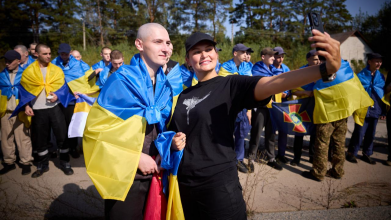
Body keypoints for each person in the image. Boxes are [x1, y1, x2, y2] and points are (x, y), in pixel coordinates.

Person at [168, 30, 341, 219]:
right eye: (196, 52)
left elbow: (273, 83)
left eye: (208, 49)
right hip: (184, 185)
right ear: (187, 59)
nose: (204, 55)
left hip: (218, 186)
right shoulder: (184, 95)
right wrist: (173, 141)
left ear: (216, 54)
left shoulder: (230, 85)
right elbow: (174, 131)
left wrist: (324, 70)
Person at [83, 23, 185, 219]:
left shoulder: (165, 84)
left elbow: (158, 127)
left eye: (168, 42)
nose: (166, 48)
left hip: (157, 170)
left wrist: (168, 144)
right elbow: (96, 131)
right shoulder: (121, 80)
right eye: (157, 42)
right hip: (127, 175)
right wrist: (135, 158)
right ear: (139, 44)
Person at [302, 56, 373, 181]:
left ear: (323, 61)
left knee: (322, 145)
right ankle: (337, 171)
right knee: (339, 144)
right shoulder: (345, 70)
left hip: (326, 116)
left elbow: (315, 91)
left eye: (320, 61)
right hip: (342, 115)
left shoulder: (321, 73)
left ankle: (318, 173)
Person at [12, 44, 74, 178]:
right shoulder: (29, 71)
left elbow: (63, 88)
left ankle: (64, 162)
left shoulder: (56, 70)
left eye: (50, 53)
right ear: (37, 54)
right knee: (40, 139)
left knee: (62, 136)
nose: (48, 56)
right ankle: (43, 164)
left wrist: (58, 95)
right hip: (38, 110)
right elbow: (24, 91)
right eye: (45, 54)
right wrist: (27, 106)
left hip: (55, 108)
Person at [347, 53, 388, 165]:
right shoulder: (360, 76)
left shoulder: (381, 77)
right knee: (359, 132)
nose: (379, 63)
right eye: (376, 61)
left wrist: (383, 111)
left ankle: (367, 154)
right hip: (363, 109)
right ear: (369, 61)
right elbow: (354, 93)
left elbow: (382, 95)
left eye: (380, 61)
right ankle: (352, 153)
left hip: (376, 109)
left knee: (371, 133)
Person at [219, 43, 253, 173]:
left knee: (240, 135)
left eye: (247, 52)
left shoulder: (247, 67)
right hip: (228, 107)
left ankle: (239, 160)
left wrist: (249, 110)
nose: (246, 55)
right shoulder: (225, 66)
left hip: (243, 107)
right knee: (226, 134)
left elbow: (250, 88)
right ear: (235, 53)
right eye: (243, 52)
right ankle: (226, 159)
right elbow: (224, 86)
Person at [0, 50, 33, 175]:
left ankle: (26, 162)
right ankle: (9, 162)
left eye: (10, 61)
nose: (7, 64)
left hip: (20, 110)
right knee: (5, 138)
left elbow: (29, 93)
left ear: (18, 61)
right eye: (5, 61)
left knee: (23, 137)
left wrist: (27, 106)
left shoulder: (25, 75)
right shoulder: (2, 75)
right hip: (5, 111)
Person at [248, 47, 282, 170]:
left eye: (274, 56)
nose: (274, 58)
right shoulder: (257, 69)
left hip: (273, 107)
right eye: (271, 56)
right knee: (256, 132)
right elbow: (264, 83)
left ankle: (271, 158)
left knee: (271, 133)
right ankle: (251, 158)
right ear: (263, 57)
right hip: (261, 107)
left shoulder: (273, 70)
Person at [289, 50, 319, 166]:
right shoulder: (300, 72)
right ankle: (296, 158)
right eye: (315, 59)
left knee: (314, 132)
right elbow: (293, 89)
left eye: (318, 59)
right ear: (308, 59)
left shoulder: (322, 72)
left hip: (316, 105)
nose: (317, 61)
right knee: (299, 131)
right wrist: (307, 92)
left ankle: (312, 156)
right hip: (302, 106)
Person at [272, 46, 292, 164]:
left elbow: (290, 84)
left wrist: (286, 93)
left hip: (284, 104)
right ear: (273, 57)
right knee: (271, 130)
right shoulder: (269, 69)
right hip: (273, 104)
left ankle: (281, 154)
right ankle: (270, 155)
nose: (280, 59)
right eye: (278, 57)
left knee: (284, 130)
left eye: (282, 57)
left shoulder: (286, 68)